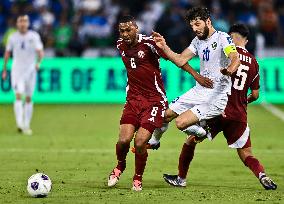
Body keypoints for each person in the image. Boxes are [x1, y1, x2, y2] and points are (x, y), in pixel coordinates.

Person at [163, 23, 277, 190]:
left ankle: (181, 178)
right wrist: (242, 102)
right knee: (246, 154)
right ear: (246, 40)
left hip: (216, 108)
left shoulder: (224, 52)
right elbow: (255, 95)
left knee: (191, 141)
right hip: (238, 114)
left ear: (230, 37)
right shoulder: (254, 63)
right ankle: (262, 175)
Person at [107, 15, 213, 191]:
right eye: (122, 31)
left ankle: (137, 178)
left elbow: (177, 60)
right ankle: (120, 166)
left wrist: (197, 76)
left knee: (140, 143)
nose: (125, 34)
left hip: (154, 101)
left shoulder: (150, 44)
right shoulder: (120, 45)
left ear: (136, 28)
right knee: (124, 140)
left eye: (128, 30)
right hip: (133, 100)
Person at [147, 6, 240, 149]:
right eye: (192, 26)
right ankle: (154, 142)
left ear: (208, 21)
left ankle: (201, 132)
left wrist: (229, 70)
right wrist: (164, 46)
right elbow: (180, 60)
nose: (195, 29)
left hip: (217, 95)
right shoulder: (197, 41)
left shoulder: (222, 38)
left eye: (198, 24)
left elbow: (235, 58)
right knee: (165, 115)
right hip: (200, 90)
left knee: (180, 123)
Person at [2, 15, 44, 135]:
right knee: (18, 95)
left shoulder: (34, 36)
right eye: (20, 21)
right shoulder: (12, 37)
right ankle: (19, 124)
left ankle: (26, 124)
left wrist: (39, 63)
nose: (22, 23)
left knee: (29, 98)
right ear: (17, 23)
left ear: (28, 23)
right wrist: (4, 69)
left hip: (30, 70)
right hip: (17, 71)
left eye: (25, 21)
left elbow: (40, 52)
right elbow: (7, 53)